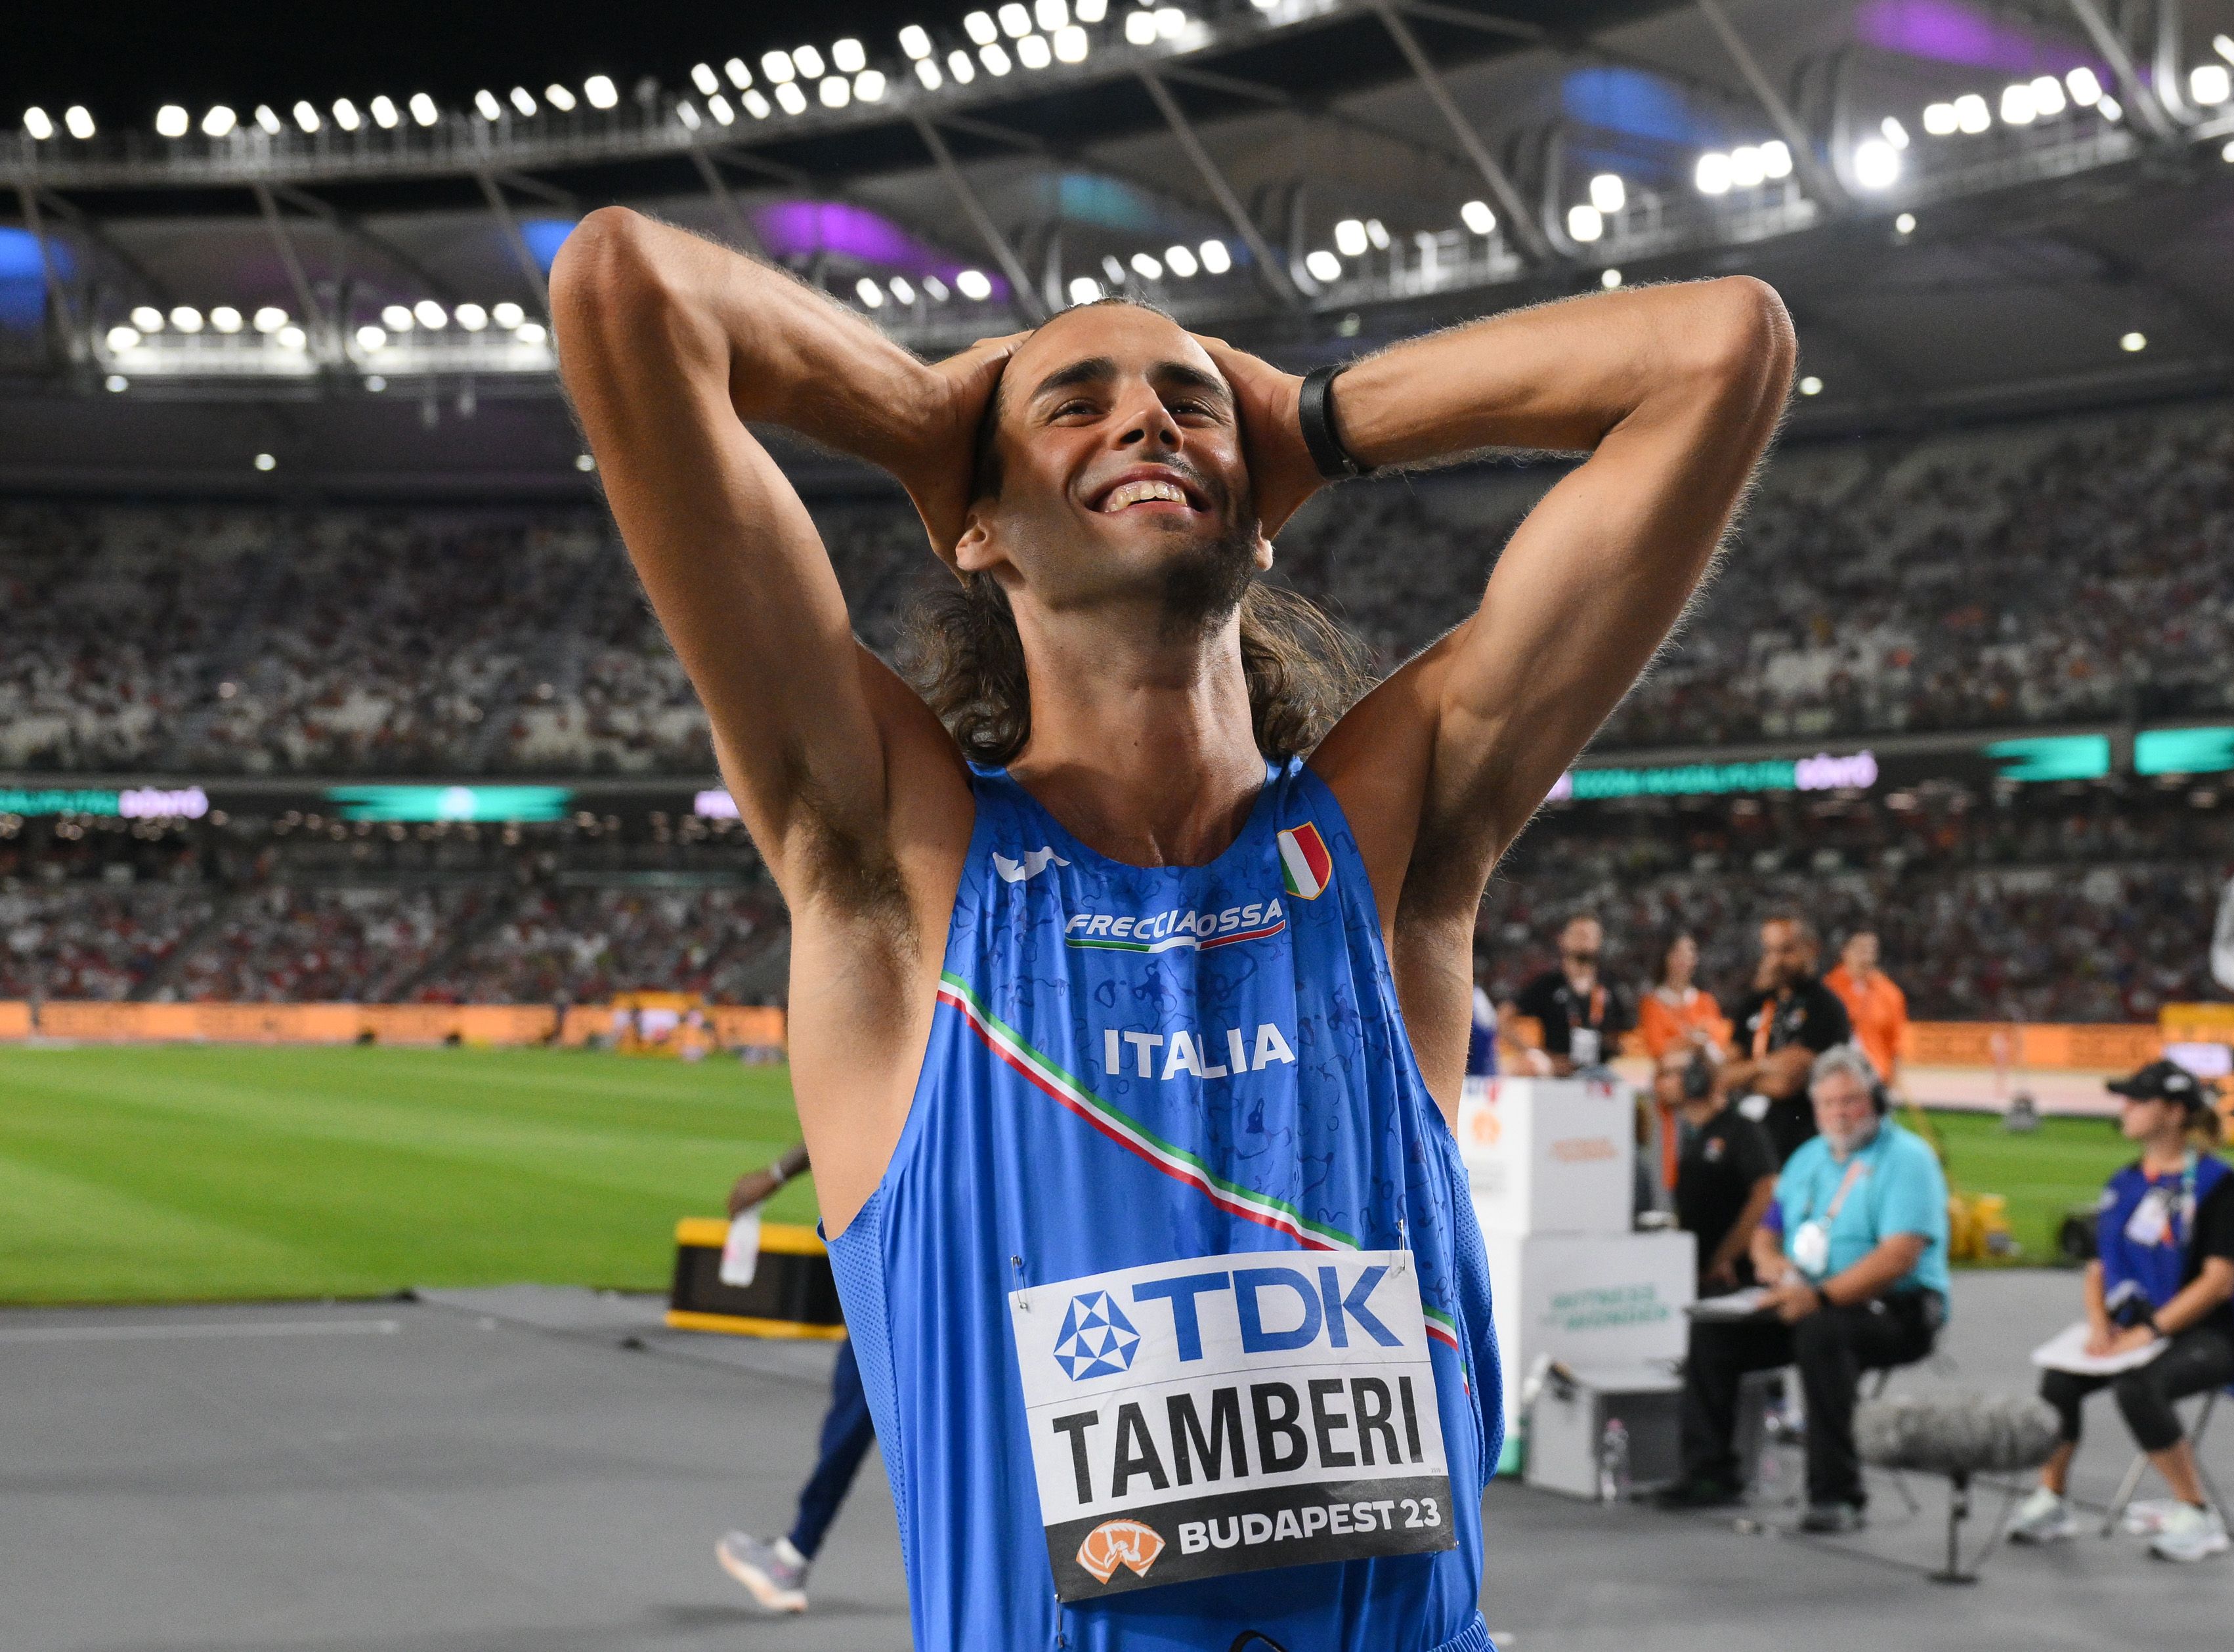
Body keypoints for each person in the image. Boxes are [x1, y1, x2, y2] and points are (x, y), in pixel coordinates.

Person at [553, 208, 1792, 1651]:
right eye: (1077, 404)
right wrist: (920, 417)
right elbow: (630, 291)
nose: (1145, 415)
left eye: (1185, 400)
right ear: (976, 525)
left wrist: (1312, 420)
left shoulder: (1382, 856)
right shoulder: (898, 864)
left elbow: (1720, 349)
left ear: (1254, 503)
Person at [1659, 1046, 1949, 1532]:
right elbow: (1767, 1229)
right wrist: (1770, 1261)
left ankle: (1838, 1495)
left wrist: (1820, 1296)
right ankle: (1710, 1472)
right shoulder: (1808, 1158)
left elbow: (1898, 1256)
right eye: (1828, 1103)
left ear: (1876, 1100)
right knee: (1714, 1328)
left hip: (1899, 1307)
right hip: (1806, 1296)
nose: (1839, 1113)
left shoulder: (1907, 1159)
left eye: (1851, 1100)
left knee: (1822, 1333)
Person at [2006, 1059, 2234, 1563]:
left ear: (2172, 1112)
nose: (2124, 1108)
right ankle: (2052, 1499)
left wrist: (2146, 1332)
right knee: (2059, 1378)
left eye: (2137, 1100)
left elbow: (2219, 1280)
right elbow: (2098, 1269)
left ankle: (2196, 1512)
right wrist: (2100, 1328)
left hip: (2209, 1333)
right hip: (2133, 1327)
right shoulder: (2124, 1182)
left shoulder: (2219, 1185)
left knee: (2139, 1386)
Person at [712, 1143, 879, 1613]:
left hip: (910, 1246)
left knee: (855, 1406)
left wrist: (775, 1173)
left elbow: (848, 1106)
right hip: (975, 1242)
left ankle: (793, 1556)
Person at [1719, 914, 1852, 1161]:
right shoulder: (1754, 1003)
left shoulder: (1826, 1007)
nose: (1776, 960)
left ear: (1811, 949)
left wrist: (1745, 1074)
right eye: (1769, 951)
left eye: (1786, 950)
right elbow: (1723, 1074)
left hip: (1803, 1145)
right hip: (1752, 1145)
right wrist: (1765, 1066)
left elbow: (1787, 1083)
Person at [1654, 1043, 1778, 1294]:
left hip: (1734, 1279)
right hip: (1696, 1275)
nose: (1661, 1083)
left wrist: (1727, 1256)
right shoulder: (1685, 1136)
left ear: (1698, 1077)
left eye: (1671, 1073)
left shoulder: (1742, 1131)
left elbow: (1767, 1194)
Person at [1513, 914, 1637, 1074]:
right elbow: (1504, 1017)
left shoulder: (1613, 985)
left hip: (1602, 1071)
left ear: (1599, 941)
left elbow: (1629, 1030)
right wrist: (1535, 1053)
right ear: (1562, 939)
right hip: (1555, 1070)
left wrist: (1615, 1045)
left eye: (1590, 935)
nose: (1584, 940)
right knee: (1529, 1066)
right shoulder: (1548, 984)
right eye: (1578, 934)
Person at [1823, 931, 1908, 1093]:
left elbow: (1896, 1044)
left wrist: (1891, 1085)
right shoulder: (1828, 989)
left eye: (1871, 950)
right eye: (1861, 950)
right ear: (1845, 952)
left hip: (1875, 1080)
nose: (1867, 957)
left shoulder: (1890, 993)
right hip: (1836, 1080)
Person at [1638, 930, 1730, 1063]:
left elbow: (1719, 1041)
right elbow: (1657, 1047)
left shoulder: (1705, 1001)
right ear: (1666, 957)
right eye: (1678, 952)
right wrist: (1690, 1040)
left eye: (1690, 953)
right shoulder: (1652, 1003)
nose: (1684, 958)